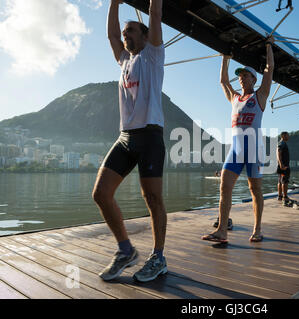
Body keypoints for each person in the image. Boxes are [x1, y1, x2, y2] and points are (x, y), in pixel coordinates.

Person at [93, 0, 167, 282]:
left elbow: (156, 13)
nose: (126, 35)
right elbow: (111, 35)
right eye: (126, 32)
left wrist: (152, 7)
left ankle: (158, 257)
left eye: (132, 30)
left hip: (150, 135)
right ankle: (126, 250)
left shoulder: (153, 54)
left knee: (152, 198)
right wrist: (114, 3)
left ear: (146, 35)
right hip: (125, 137)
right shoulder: (125, 59)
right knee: (101, 194)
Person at [202, 37, 274, 244]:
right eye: (240, 76)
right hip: (236, 150)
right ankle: (222, 230)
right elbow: (223, 82)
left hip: (254, 150)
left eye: (245, 76)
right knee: (225, 186)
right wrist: (225, 59)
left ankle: (257, 229)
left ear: (253, 79)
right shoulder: (234, 98)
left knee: (255, 189)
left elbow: (269, 69)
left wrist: (269, 46)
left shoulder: (260, 96)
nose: (241, 79)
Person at [277, 132, 290, 204]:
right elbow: (278, 152)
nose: (288, 137)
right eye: (287, 136)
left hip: (281, 165)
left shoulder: (281, 143)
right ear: (283, 136)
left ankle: (280, 196)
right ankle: (285, 197)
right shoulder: (282, 143)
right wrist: (281, 164)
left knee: (280, 181)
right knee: (284, 181)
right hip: (283, 166)